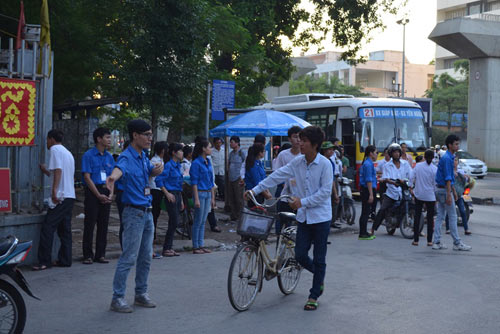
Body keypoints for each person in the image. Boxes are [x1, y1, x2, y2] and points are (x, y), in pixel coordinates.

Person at [245, 126, 333, 311]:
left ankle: (313, 294)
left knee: (319, 257)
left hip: (321, 218)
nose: (300, 143)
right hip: (303, 218)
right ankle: (319, 276)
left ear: (315, 145)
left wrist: (303, 202)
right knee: (300, 255)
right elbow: (277, 176)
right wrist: (255, 190)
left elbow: (325, 193)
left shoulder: (325, 164)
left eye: (304, 140)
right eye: (299, 139)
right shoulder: (297, 162)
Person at [106, 120, 164, 313]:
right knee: (129, 257)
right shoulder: (126, 157)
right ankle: (118, 298)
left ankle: (141, 294)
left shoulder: (142, 157)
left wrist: (154, 170)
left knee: (146, 256)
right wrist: (112, 179)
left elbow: (148, 171)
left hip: (147, 212)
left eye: (151, 134)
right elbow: (118, 170)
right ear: (135, 135)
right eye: (146, 134)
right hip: (134, 213)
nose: (150, 138)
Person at [33, 129, 76, 271]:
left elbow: (58, 171)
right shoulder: (67, 153)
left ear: (51, 139)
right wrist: (45, 170)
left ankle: (44, 261)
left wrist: (54, 191)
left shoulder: (55, 150)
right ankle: (65, 259)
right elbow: (58, 173)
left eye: (47, 140)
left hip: (61, 196)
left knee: (48, 227)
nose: (46, 143)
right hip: (69, 195)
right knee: (65, 229)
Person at [81, 127, 114, 265]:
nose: (109, 140)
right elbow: (87, 177)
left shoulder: (109, 156)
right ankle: (88, 255)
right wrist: (98, 194)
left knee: (104, 224)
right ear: (99, 139)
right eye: (107, 137)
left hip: (106, 191)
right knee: (90, 224)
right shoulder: (88, 155)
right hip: (93, 192)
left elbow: (112, 177)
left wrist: (111, 194)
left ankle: (100, 254)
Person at [433, 134, 471, 251]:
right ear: (450, 145)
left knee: (440, 216)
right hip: (444, 190)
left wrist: (453, 191)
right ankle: (457, 242)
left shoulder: (447, 157)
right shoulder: (448, 158)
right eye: (456, 144)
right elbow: (448, 178)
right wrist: (450, 194)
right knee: (453, 216)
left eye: (458, 143)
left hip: (440, 189)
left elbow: (449, 178)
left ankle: (436, 242)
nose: (458, 146)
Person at [371, 143, 412, 235]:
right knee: (382, 209)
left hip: (404, 191)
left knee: (413, 204)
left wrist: (411, 183)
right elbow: (386, 178)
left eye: (398, 152)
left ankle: (416, 228)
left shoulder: (405, 164)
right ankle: (373, 229)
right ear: (391, 154)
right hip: (391, 192)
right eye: (394, 152)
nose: (397, 154)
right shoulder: (387, 165)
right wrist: (393, 182)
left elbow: (411, 175)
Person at [156, 142, 184, 257]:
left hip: (177, 195)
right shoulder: (168, 165)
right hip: (171, 194)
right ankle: (166, 248)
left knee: (175, 222)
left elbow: (179, 184)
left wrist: (181, 200)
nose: (182, 153)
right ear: (174, 153)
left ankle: (169, 247)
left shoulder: (178, 165)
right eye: (180, 151)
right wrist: (167, 193)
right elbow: (159, 180)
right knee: (173, 221)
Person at [273, 126, 302, 234]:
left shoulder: (305, 155)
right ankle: (280, 243)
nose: (298, 140)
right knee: (281, 222)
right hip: (285, 195)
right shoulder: (283, 155)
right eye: (295, 137)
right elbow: (276, 173)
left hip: (301, 196)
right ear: (289, 139)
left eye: (300, 137)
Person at [190, 138, 216, 254]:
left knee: (203, 220)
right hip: (200, 193)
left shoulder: (208, 161)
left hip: (207, 193)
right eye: (209, 147)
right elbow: (194, 182)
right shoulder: (196, 163)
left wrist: (213, 197)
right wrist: (196, 198)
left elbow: (211, 181)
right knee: (198, 220)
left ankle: (201, 244)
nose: (210, 149)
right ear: (203, 149)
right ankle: (196, 246)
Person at [410, 149, 437, 246]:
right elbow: (435, 184)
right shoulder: (434, 169)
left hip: (419, 194)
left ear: (424, 157)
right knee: (430, 219)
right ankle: (429, 241)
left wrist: (410, 187)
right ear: (433, 158)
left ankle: (416, 240)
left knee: (417, 217)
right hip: (430, 196)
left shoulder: (418, 166)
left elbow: (411, 177)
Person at [445, 157, 471, 235]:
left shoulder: (461, 171)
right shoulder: (448, 171)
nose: (454, 162)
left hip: (459, 195)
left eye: (456, 160)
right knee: (449, 212)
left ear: (458, 162)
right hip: (451, 194)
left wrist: (468, 178)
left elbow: (466, 182)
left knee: (462, 211)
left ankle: (466, 229)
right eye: (453, 160)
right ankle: (447, 228)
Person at [149, 141, 166, 259]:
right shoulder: (154, 162)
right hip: (154, 190)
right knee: (153, 217)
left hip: (159, 190)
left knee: (156, 216)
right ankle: (150, 244)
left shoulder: (161, 161)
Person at [358, 145, 377, 240]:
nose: (377, 154)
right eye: (376, 152)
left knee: (366, 211)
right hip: (367, 189)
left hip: (366, 189)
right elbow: (368, 180)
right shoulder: (368, 164)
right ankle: (362, 233)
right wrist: (371, 194)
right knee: (365, 212)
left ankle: (364, 231)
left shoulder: (367, 163)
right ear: (371, 153)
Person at [320, 141, 340, 228]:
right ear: (324, 150)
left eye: (333, 150)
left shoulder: (331, 161)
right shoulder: (323, 161)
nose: (332, 152)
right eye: (330, 150)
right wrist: (335, 193)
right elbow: (330, 180)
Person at [227, 136, 246, 222]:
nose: (231, 144)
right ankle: (233, 216)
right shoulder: (231, 153)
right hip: (231, 178)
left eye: (232, 142)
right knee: (232, 198)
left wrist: (243, 178)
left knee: (239, 198)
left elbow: (245, 165)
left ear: (237, 143)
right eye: (230, 142)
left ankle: (241, 216)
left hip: (238, 178)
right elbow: (229, 164)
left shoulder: (241, 153)